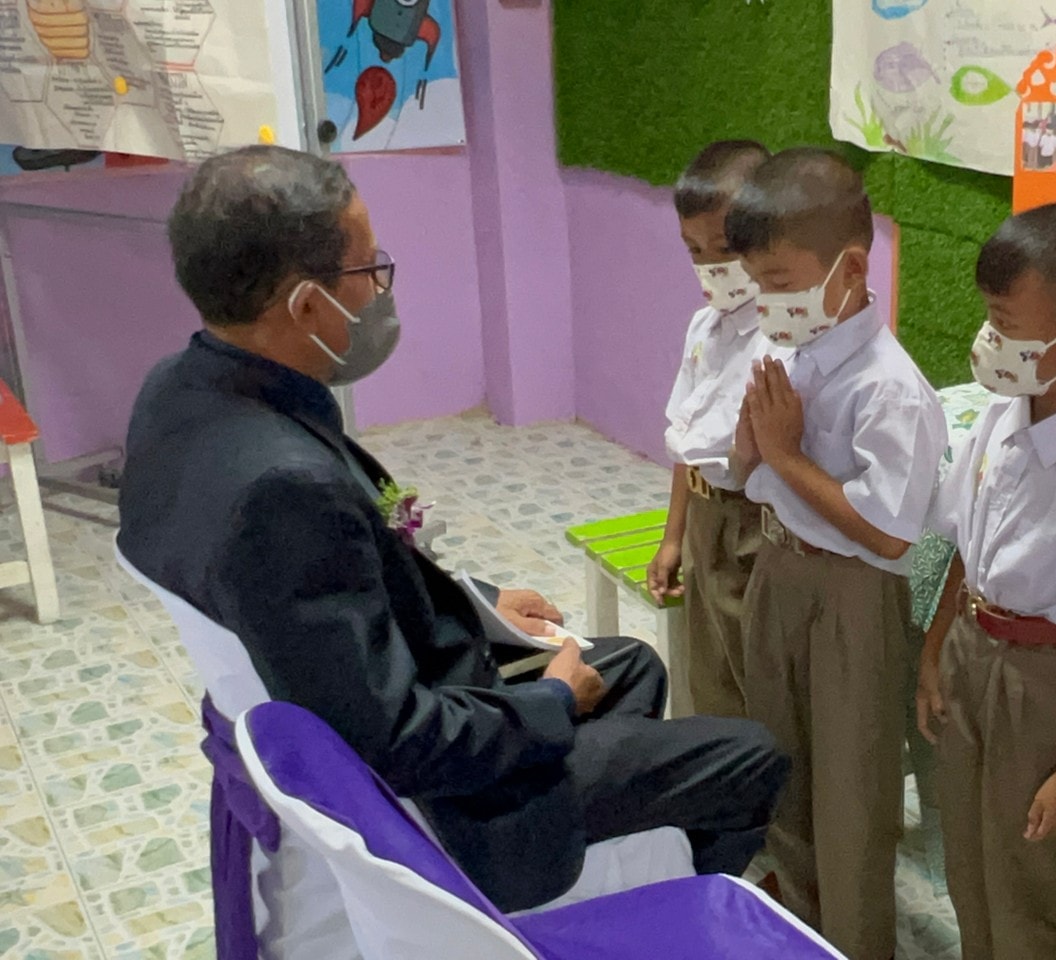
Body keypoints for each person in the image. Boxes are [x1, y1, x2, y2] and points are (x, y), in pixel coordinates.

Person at [117, 146, 789, 932]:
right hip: (440, 799)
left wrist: (478, 606)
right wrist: (547, 703)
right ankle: (642, 915)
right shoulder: (282, 489)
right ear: (305, 306)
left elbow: (321, 598)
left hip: (368, 689)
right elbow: (393, 738)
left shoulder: (178, 391)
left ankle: (621, 850)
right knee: (752, 755)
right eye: (370, 271)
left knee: (631, 665)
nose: (381, 291)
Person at [727, 147, 949, 960]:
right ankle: (797, 929)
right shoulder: (792, 350)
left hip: (853, 596)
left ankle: (855, 944)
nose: (768, 302)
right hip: (779, 569)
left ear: (851, 268)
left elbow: (889, 532)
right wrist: (753, 452)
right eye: (759, 284)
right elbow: (747, 471)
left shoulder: (889, 388)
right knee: (780, 761)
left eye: (781, 282)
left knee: (852, 791)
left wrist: (785, 458)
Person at [915, 203, 1056, 960]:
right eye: (989, 318)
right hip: (972, 651)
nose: (989, 340)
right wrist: (935, 650)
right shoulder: (1000, 418)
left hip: (1048, 684)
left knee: (1034, 882)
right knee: (970, 856)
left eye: (1006, 325)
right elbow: (965, 549)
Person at [647, 139, 772, 718]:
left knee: (753, 681)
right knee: (707, 676)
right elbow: (686, 436)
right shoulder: (704, 327)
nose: (707, 266)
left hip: (751, 527)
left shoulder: (778, 340)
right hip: (703, 519)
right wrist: (673, 536)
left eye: (723, 250)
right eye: (693, 250)